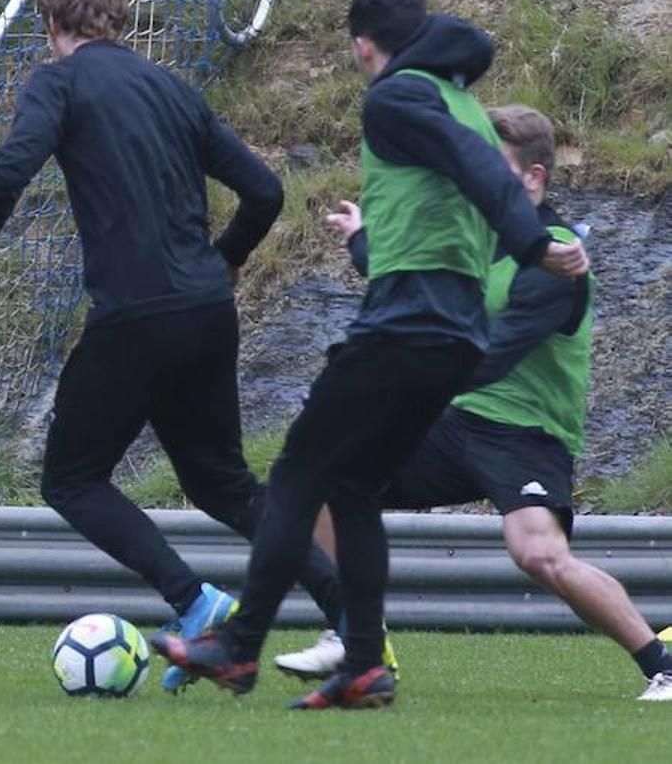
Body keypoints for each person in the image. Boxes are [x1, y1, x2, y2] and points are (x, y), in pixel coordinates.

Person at [151, 0, 589, 709]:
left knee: (296, 473)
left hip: (408, 326)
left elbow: (477, 170)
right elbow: (449, 196)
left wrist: (531, 241)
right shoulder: (465, 103)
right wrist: (371, 244)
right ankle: (362, 664)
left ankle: (236, 646)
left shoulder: (396, 96)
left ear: (363, 45)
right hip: (450, 337)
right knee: (351, 486)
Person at [0, 0, 348, 693]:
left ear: (50, 23)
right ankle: (352, 618)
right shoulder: (172, 90)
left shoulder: (59, 82)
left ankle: (196, 603)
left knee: (72, 478)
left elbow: (8, 171)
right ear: (118, 18)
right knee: (225, 487)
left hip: (136, 317)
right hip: (206, 312)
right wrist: (225, 261)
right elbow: (266, 191)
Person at [272, 104, 672, 702]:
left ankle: (661, 663)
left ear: (534, 178)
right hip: (456, 425)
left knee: (538, 554)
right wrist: (363, 245)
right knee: (327, 478)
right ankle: (359, 637)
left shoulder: (558, 260)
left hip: (526, 433)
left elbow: (493, 354)